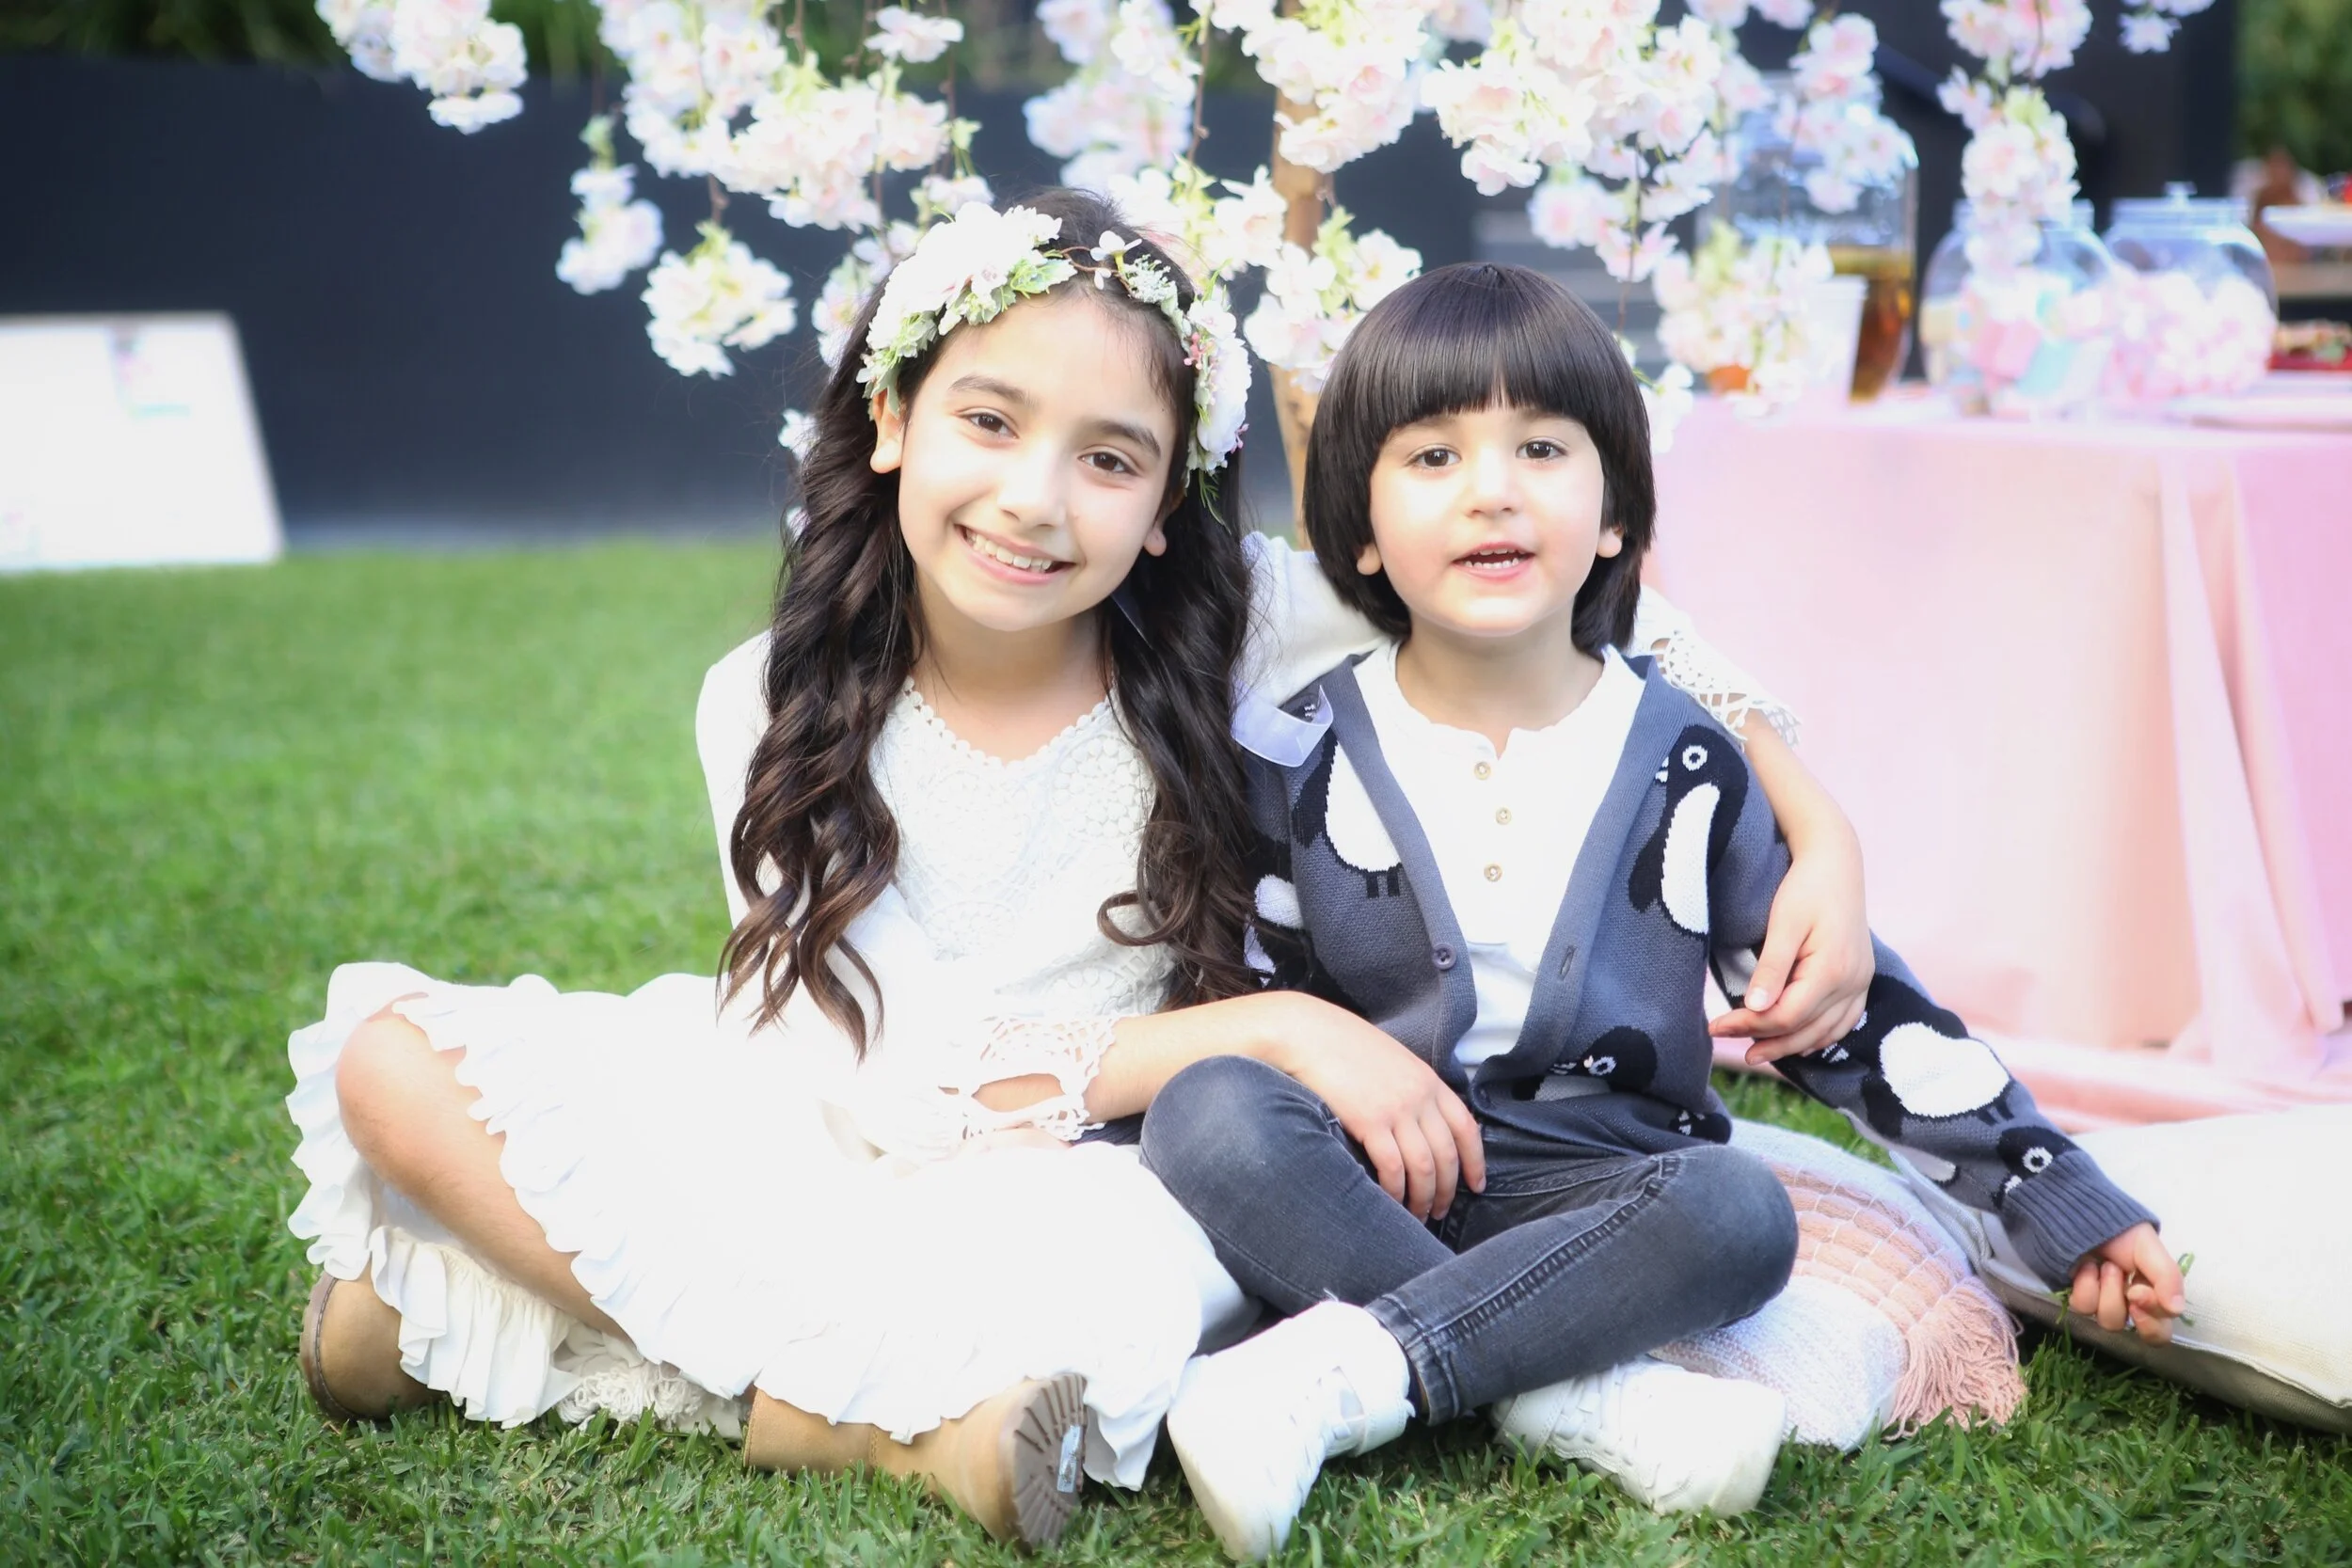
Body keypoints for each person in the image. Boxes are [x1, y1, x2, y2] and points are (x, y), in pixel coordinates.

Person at [284, 192, 1877, 1551]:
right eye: (989, 422)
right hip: (834, 1106)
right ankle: (879, 1430)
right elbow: (881, 1070)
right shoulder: (767, 694)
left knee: (1124, 1302)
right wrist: (1278, 1028)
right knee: (396, 1057)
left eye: (1111, 459)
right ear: (894, 417)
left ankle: (474, 1323)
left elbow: (1569, 608)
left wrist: (1816, 822)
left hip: (1105, 1172)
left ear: (1173, 505)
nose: (1036, 500)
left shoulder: (1243, 619)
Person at [1137, 261, 2187, 1562]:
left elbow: (1855, 1019)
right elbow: (1243, 997)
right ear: (1357, 530)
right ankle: (1575, 1386)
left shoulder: (1684, 757)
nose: (1493, 488)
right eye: (1433, 456)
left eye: (1540, 447)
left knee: (1741, 1207)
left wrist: (2063, 1196)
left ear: (1618, 514)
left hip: (1614, 1197)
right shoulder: (1302, 755)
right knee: (1211, 1107)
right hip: (1378, 1176)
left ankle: (1356, 1371)